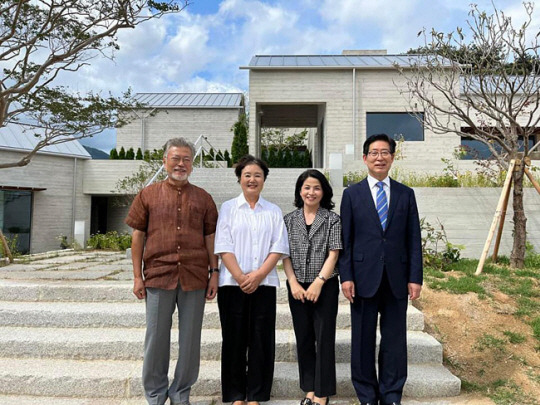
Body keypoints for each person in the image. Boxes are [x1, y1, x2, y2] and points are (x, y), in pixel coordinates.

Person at [125, 137, 219, 405]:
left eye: (186, 159)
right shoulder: (148, 194)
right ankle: (155, 394)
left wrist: (215, 272)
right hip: (158, 275)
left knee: (190, 340)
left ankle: (180, 393)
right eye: (175, 158)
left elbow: (211, 238)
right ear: (165, 161)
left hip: (195, 277)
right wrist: (136, 276)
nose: (181, 164)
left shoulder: (204, 198)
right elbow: (137, 236)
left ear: (192, 164)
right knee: (156, 338)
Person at [338, 134, 423, 405]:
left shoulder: (405, 194)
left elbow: (413, 239)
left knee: (395, 341)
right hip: (363, 278)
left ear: (392, 157)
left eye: (385, 152)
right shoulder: (351, 194)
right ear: (365, 158)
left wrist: (415, 277)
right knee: (362, 339)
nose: (379, 157)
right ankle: (366, 395)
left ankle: (391, 394)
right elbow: (346, 240)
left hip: (397, 278)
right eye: (373, 153)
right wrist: (346, 276)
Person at [214, 155, 289, 405]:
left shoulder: (274, 211)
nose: (252, 179)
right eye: (247, 175)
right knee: (234, 339)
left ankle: (256, 394)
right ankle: (236, 395)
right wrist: (240, 276)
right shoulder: (228, 208)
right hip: (231, 285)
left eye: (257, 175)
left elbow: (278, 247)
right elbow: (223, 246)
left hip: (264, 284)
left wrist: (257, 275)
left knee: (261, 340)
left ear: (264, 180)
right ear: (239, 179)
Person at [283, 169, 342, 405]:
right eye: (307, 187)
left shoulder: (332, 219)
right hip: (297, 287)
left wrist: (319, 282)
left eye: (316, 187)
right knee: (304, 337)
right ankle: (308, 388)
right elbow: (283, 254)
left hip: (324, 286)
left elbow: (334, 253)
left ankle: (322, 392)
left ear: (324, 191)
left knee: (324, 337)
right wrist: (293, 282)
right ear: (300, 191)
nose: (311, 192)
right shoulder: (288, 220)